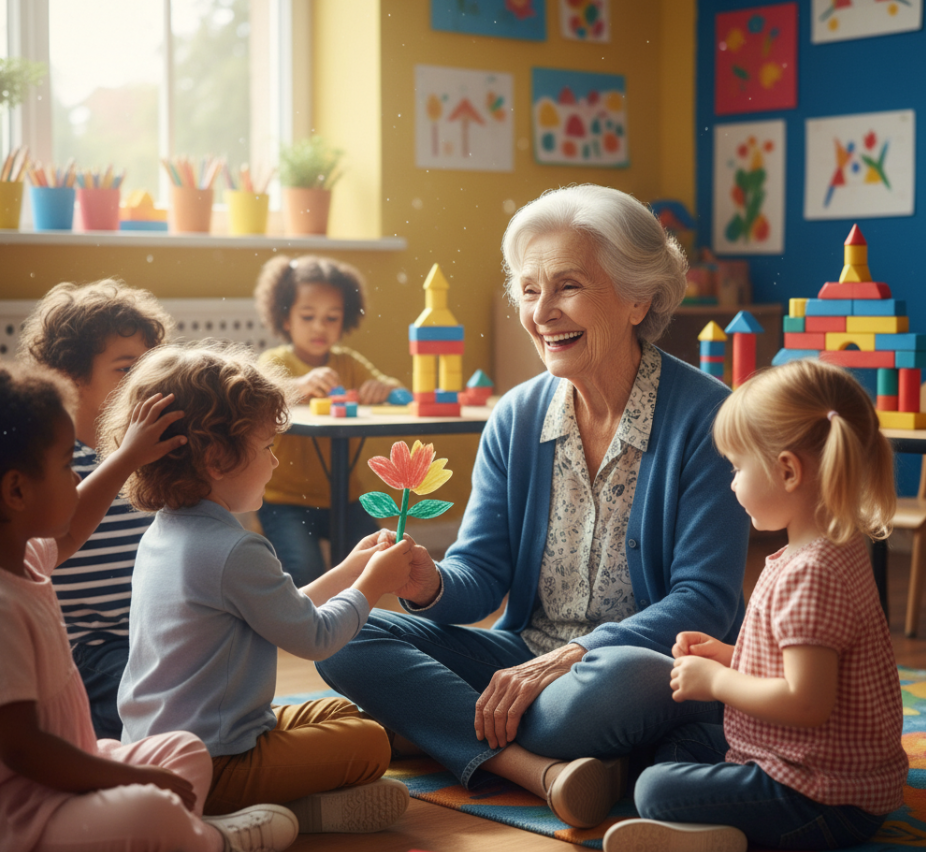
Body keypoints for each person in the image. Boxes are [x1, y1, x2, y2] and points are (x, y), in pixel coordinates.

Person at [316, 184, 751, 828]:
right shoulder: (515, 416)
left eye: (567, 286)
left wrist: (573, 656)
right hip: (520, 663)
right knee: (340, 634)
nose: (542, 312)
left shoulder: (709, 418)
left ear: (638, 298)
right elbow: (480, 575)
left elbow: (705, 601)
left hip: (627, 670)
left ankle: (443, 726)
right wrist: (429, 583)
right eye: (528, 290)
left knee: (625, 678)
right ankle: (538, 764)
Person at [103, 341, 412, 834]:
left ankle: (293, 806)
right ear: (217, 459)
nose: (275, 463)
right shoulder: (234, 550)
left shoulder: (166, 532)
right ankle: (257, 811)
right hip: (215, 767)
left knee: (342, 712)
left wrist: (351, 569)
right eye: (267, 447)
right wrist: (374, 584)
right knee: (370, 741)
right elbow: (315, 637)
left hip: (157, 750)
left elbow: (283, 610)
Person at [605, 358, 907, 852]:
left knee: (653, 788)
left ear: (787, 471)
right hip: (799, 763)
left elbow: (806, 702)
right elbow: (805, 661)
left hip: (822, 799)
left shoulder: (813, 575)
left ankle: (714, 835)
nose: (732, 483)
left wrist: (717, 682)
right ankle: (709, 826)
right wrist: (729, 656)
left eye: (738, 467)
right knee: (681, 742)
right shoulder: (831, 547)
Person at [0, 363, 299, 852]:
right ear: (16, 490)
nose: (75, 476)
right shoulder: (3, 606)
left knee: (185, 751)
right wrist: (126, 777)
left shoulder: (27, 556)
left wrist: (127, 456)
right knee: (150, 809)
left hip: (71, 773)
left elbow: (73, 529)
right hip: (30, 814)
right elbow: (24, 750)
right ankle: (214, 840)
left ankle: (183, 832)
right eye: (65, 466)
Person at [17, 279, 173, 739]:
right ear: (68, 376)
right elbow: (59, 537)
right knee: (160, 713)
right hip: (88, 648)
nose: (142, 383)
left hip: (150, 635)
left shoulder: (148, 455)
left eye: (149, 368)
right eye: (126, 369)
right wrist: (127, 457)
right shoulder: (57, 468)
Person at [254, 254, 403, 585]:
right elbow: (257, 398)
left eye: (331, 317)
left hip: (345, 497)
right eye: (308, 316)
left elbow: (400, 393)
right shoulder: (275, 361)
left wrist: (385, 389)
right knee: (304, 573)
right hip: (284, 500)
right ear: (286, 318)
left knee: (379, 559)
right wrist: (298, 385)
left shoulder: (349, 363)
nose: (319, 327)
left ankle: (353, 616)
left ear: (344, 320)